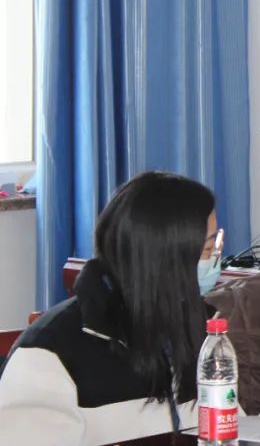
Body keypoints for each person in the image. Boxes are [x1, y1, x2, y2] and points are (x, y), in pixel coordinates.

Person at [0, 171, 224, 446]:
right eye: (208, 249)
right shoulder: (49, 353)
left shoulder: (196, 331)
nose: (216, 260)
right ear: (166, 259)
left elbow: (230, 429)